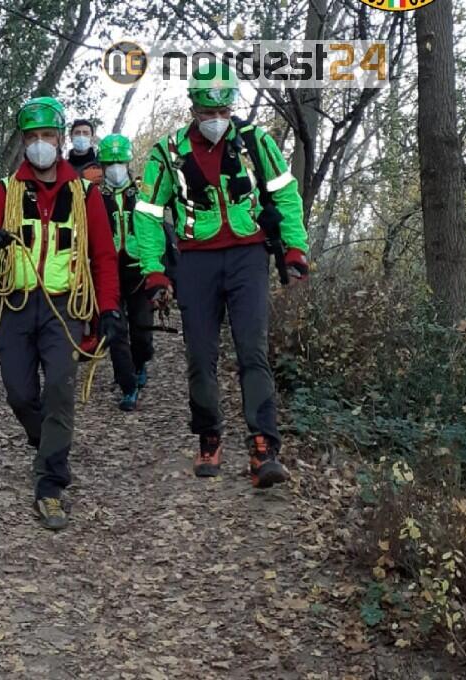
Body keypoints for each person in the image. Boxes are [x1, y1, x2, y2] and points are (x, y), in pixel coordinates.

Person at [132, 61, 308, 488]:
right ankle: (209, 434)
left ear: (232, 105)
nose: (215, 120)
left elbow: (285, 194)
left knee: (253, 351)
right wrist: (154, 271)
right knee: (200, 355)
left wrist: (295, 247)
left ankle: (264, 448)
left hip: (248, 255)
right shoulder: (167, 153)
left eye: (222, 111)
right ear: (192, 108)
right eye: (206, 112)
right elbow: (149, 215)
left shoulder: (255, 142)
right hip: (195, 260)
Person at [0, 96, 122, 531]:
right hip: (14, 305)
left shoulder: (85, 193)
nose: (39, 145)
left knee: (59, 390)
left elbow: (104, 257)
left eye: (46, 136)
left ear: (60, 138)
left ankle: (50, 482)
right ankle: (47, 442)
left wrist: (108, 309)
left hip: (64, 308)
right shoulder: (6, 189)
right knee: (19, 394)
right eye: (31, 138)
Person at [96, 134, 153, 412]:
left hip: (138, 270)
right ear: (102, 165)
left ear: (128, 161)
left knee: (141, 331)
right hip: (108, 273)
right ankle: (128, 386)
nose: (115, 167)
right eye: (110, 162)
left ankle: (141, 362)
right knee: (115, 333)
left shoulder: (143, 192)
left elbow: (156, 229)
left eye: (120, 161)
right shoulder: (93, 196)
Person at [66, 118, 103, 184]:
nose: (81, 136)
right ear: (71, 137)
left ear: (92, 138)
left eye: (86, 133)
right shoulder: (62, 167)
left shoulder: (99, 168)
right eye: (77, 133)